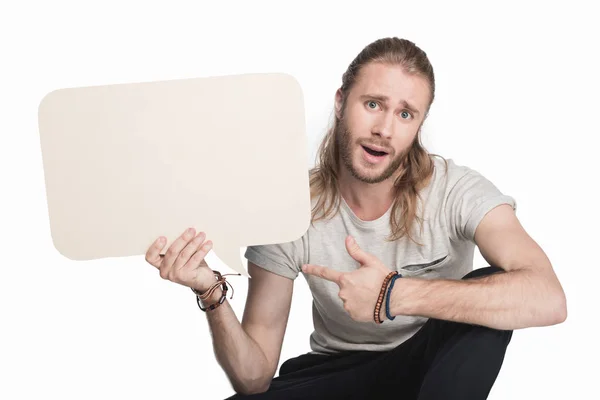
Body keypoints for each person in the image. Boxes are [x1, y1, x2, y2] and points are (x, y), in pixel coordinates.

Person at [144, 37, 567, 399]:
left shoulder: (456, 191)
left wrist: (393, 294)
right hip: (339, 374)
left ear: (419, 124)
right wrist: (210, 292)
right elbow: (253, 377)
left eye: (405, 114)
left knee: (491, 291)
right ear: (341, 102)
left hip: (433, 371)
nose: (385, 128)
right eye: (373, 104)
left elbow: (548, 297)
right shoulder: (289, 208)